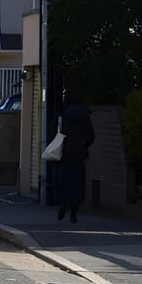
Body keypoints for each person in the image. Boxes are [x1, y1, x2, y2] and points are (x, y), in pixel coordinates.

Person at [56, 93, 95, 224]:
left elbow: (56, 132)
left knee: (64, 180)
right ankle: (74, 213)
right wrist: (84, 144)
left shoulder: (63, 114)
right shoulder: (85, 116)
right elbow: (91, 137)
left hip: (65, 152)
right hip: (79, 153)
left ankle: (63, 203)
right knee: (78, 183)